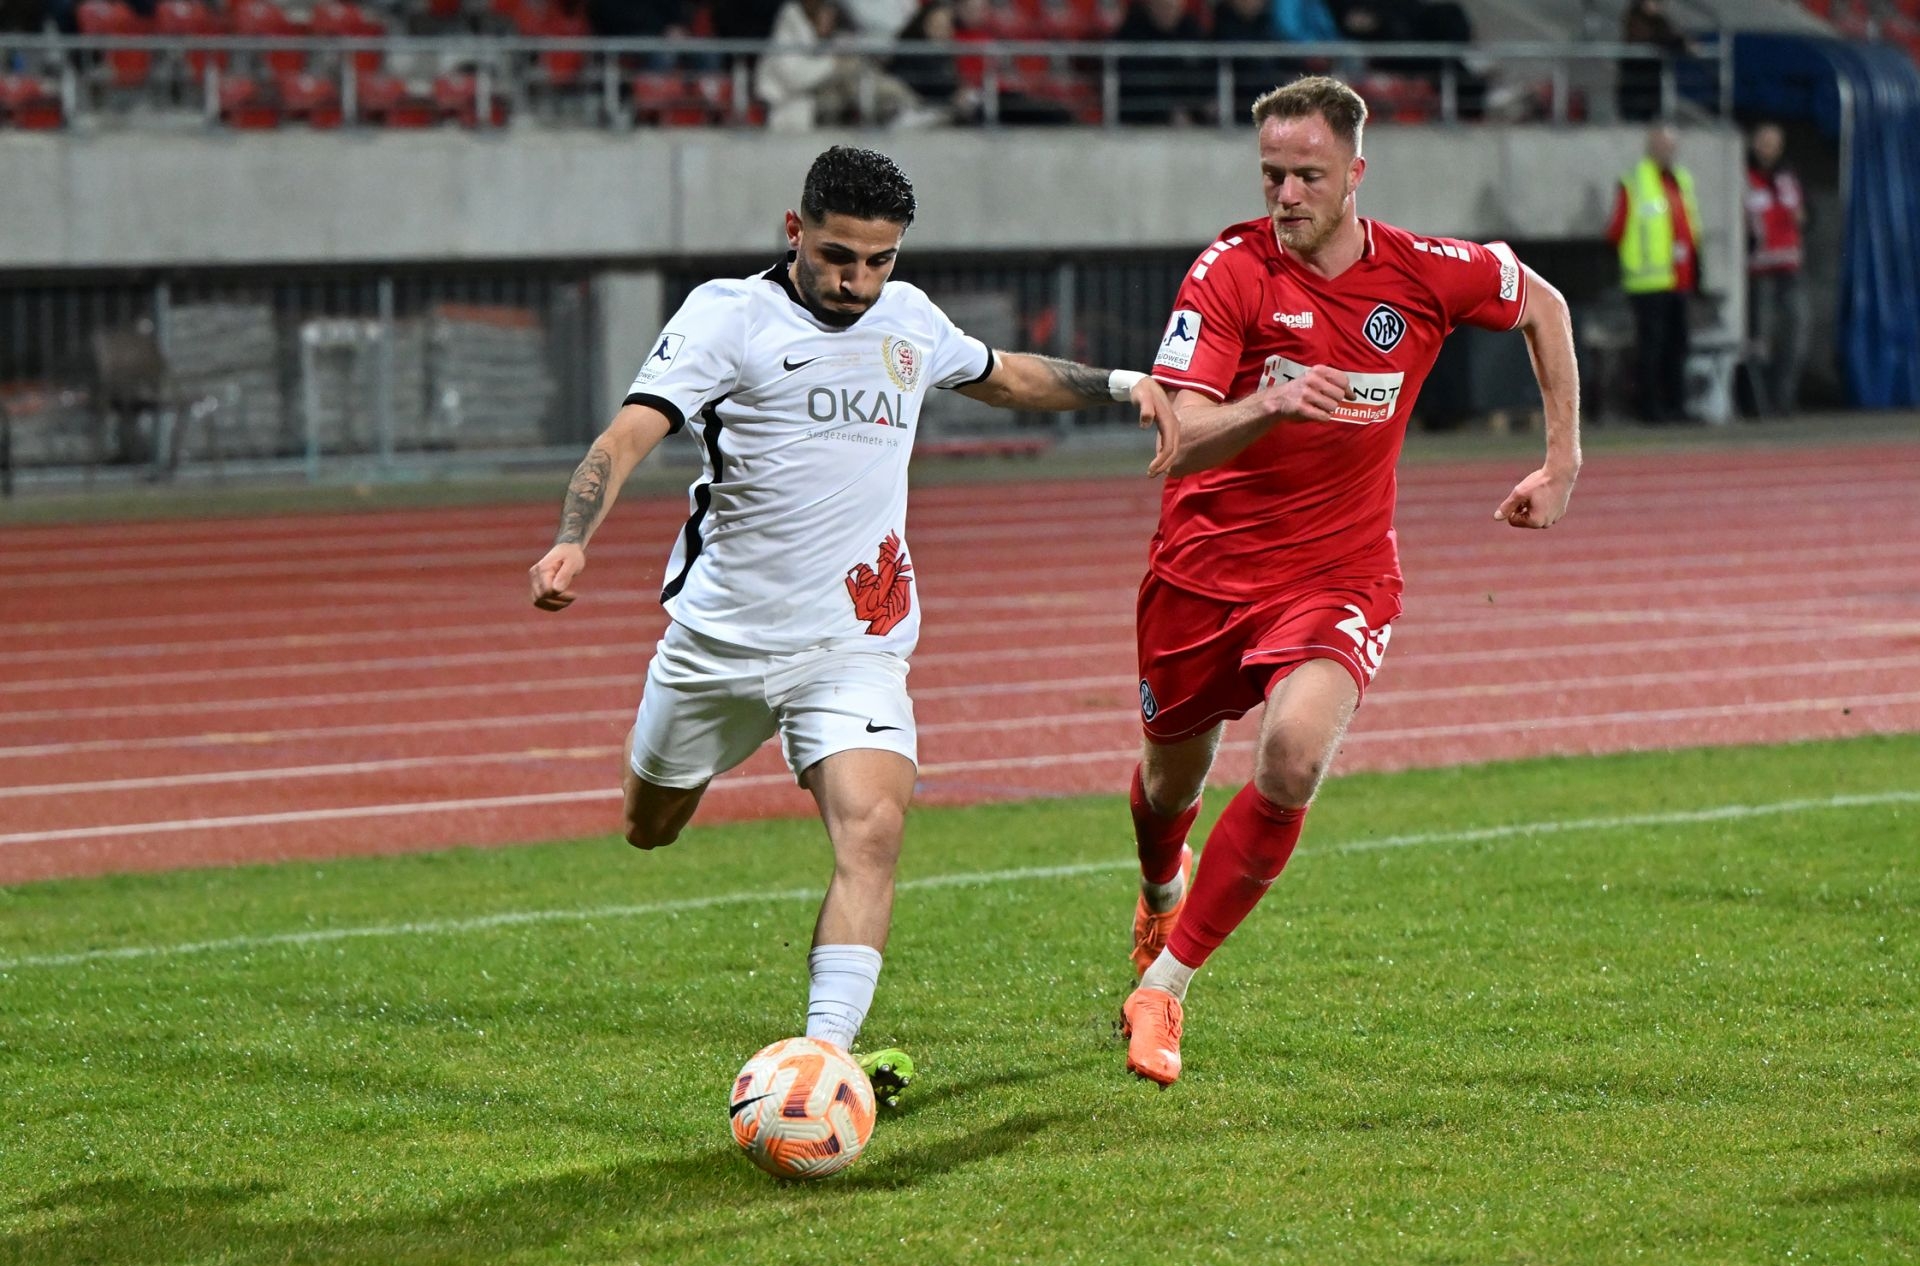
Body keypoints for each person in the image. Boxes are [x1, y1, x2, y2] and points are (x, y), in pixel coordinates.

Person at [529, 146, 1180, 1104]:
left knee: (874, 830)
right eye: (838, 256)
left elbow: (1005, 375)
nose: (858, 281)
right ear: (794, 231)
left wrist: (1124, 384)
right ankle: (684, 796)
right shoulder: (728, 316)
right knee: (648, 826)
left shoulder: (907, 318)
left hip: (854, 643)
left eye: (879, 260)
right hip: (719, 644)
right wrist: (571, 540)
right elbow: (628, 434)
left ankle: (821, 1062)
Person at [1116, 75, 1580, 1086]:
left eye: (1308, 176)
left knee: (1291, 758)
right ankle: (1159, 884)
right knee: (1166, 786)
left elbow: (1542, 303)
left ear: (1356, 172)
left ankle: (1166, 985)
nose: (1286, 194)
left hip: (1339, 571)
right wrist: (1270, 403)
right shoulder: (1229, 272)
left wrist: (1562, 460)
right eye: (1272, 174)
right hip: (1203, 572)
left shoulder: (1424, 272)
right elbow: (1177, 437)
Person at [1606, 123, 1701, 424]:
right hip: (1647, 282)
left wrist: (1697, 269)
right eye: (1661, 145)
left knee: (1678, 345)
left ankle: (1676, 406)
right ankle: (1650, 408)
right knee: (1652, 347)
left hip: (1679, 278)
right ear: (1650, 148)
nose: (1666, 151)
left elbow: (1690, 227)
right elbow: (1616, 230)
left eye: (1671, 146)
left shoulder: (1681, 179)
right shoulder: (1634, 182)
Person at [757, 0, 931, 130]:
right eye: (825, 14)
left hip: (827, 104)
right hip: (792, 107)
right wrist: (834, 63)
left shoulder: (829, 39)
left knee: (858, 68)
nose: (829, 20)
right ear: (813, 14)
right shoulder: (788, 31)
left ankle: (908, 108)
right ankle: (908, 108)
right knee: (850, 69)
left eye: (831, 16)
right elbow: (795, 78)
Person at [1744, 121, 1809, 417]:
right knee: (1761, 342)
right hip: (1760, 272)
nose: (1767, 149)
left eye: (1773, 143)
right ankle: (1760, 404)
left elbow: (1807, 215)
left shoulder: (1788, 177)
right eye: (1763, 142)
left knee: (1795, 336)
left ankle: (1784, 400)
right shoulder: (1743, 176)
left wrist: (1804, 218)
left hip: (1790, 268)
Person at [1616, 0, 1693, 122]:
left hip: (1651, 80)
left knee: (1650, 115)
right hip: (1636, 78)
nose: (1657, 5)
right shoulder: (1635, 19)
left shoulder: (1660, 21)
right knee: (1635, 117)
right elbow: (1654, 39)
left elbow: (1667, 36)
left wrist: (1681, 42)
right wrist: (1679, 43)